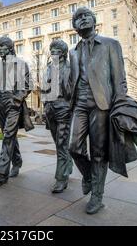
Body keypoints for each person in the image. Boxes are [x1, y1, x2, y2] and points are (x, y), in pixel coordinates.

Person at [68, 7, 128, 214]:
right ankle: (87, 176)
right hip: (80, 104)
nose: (82, 19)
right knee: (74, 147)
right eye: (77, 18)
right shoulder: (72, 51)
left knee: (99, 152)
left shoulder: (111, 45)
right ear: (74, 27)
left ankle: (97, 196)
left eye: (86, 16)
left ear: (94, 21)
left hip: (102, 103)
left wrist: (120, 104)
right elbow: (72, 80)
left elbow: (119, 78)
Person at [0, 36, 34, 185]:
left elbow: (28, 84)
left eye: (1, 47)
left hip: (14, 104)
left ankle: (2, 173)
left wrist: (17, 99)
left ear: (9, 47)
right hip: (1, 104)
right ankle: (17, 161)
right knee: (9, 135)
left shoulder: (21, 64)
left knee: (8, 136)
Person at [41, 39, 74, 193]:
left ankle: (61, 178)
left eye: (56, 49)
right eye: (52, 49)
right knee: (58, 142)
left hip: (64, 107)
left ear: (63, 52)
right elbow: (44, 88)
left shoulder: (70, 66)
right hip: (51, 108)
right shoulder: (48, 68)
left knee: (61, 143)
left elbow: (75, 88)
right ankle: (68, 164)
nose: (53, 52)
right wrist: (45, 105)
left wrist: (71, 105)